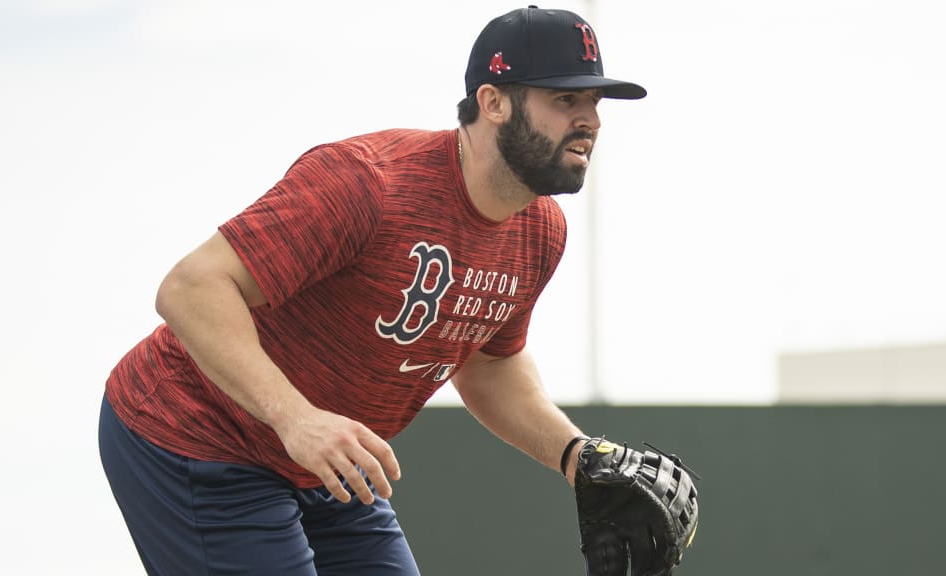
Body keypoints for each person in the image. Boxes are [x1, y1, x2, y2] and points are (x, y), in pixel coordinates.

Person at [99, 5, 646, 575]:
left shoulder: (540, 231)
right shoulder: (369, 183)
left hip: (329, 463)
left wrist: (576, 455)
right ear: (493, 102)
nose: (591, 120)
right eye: (566, 100)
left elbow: (487, 366)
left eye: (594, 103)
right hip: (199, 436)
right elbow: (190, 288)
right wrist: (298, 419)